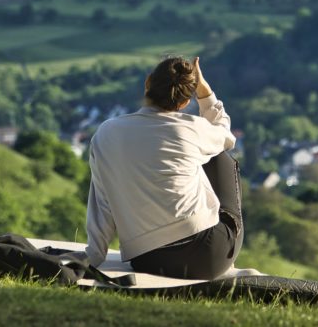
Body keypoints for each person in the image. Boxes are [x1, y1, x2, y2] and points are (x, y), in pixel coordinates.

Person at [85, 56, 244, 280]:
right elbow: (225, 135)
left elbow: (102, 200)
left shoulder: (106, 133)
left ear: (148, 82)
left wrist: (94, 254)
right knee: (219, 157)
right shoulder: (193, 129)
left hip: (147, 260)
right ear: (185, 102)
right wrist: (205, 93)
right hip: (207, 257)